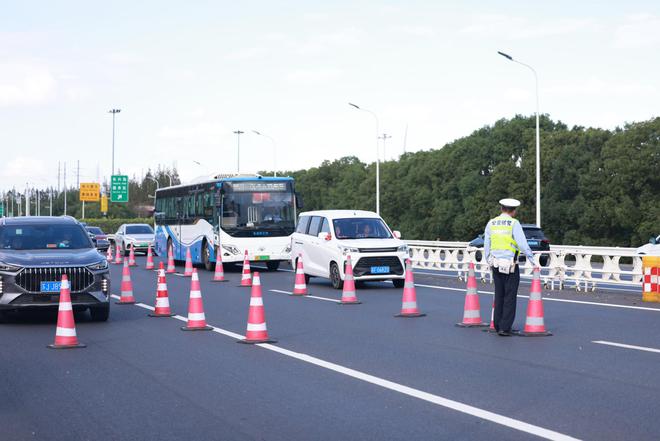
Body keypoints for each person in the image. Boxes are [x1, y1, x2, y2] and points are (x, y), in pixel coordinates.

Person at [483, 198, 535, 336]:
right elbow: (522, 244)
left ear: (501, 209)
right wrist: (532, 259)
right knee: (510, 295)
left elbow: (486, 244)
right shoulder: (513, 223)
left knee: (499, 294)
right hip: (510, 264)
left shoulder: (491, 223)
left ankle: (498, 324)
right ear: (514, 211)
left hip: (495, 263)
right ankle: (505, 328)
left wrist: (488, 259)